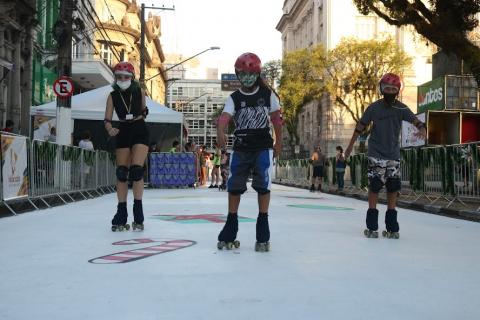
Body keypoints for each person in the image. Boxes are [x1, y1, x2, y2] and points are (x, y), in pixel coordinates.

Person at [344, 73, 426, 239]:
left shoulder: (401, 108)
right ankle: (372, 225)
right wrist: (349, 147)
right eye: (387, 88)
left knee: (393, 187)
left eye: (393, 89)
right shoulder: (373, 108)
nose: (390, 91)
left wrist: (423, 130)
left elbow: (415, 121)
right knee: (375, 186)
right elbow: (360, 127)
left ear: (397, 91)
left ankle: (392, 226)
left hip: (393, 154)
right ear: (381, 89)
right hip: (376, 152)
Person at [216, 52, 283, 252]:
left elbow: (277, 121)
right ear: (237, 74)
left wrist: (278, 142)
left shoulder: (268, 95)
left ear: (257, 73)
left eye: (250, 73)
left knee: (263, 184)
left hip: (262, 147)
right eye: (242, 74)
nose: (246, 77)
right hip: (241, 147)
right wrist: (220, 131)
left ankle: (263, 228)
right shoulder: (234, 98)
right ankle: (231, 226)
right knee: (234, 186)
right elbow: (225, 117)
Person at [104, 61, 150, 232]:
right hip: (122, 129)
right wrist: (110, 128)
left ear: (132, 77)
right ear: (115, 78)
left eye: (126, 77)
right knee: (122, 172)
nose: (122, 79)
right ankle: (121, 212)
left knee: (137, 170)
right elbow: (107, 118)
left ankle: (138, 212)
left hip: (139, 129)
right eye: (119, 77)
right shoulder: (112, 95)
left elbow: (144, 111)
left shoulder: (140, 91)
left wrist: (141, 113)